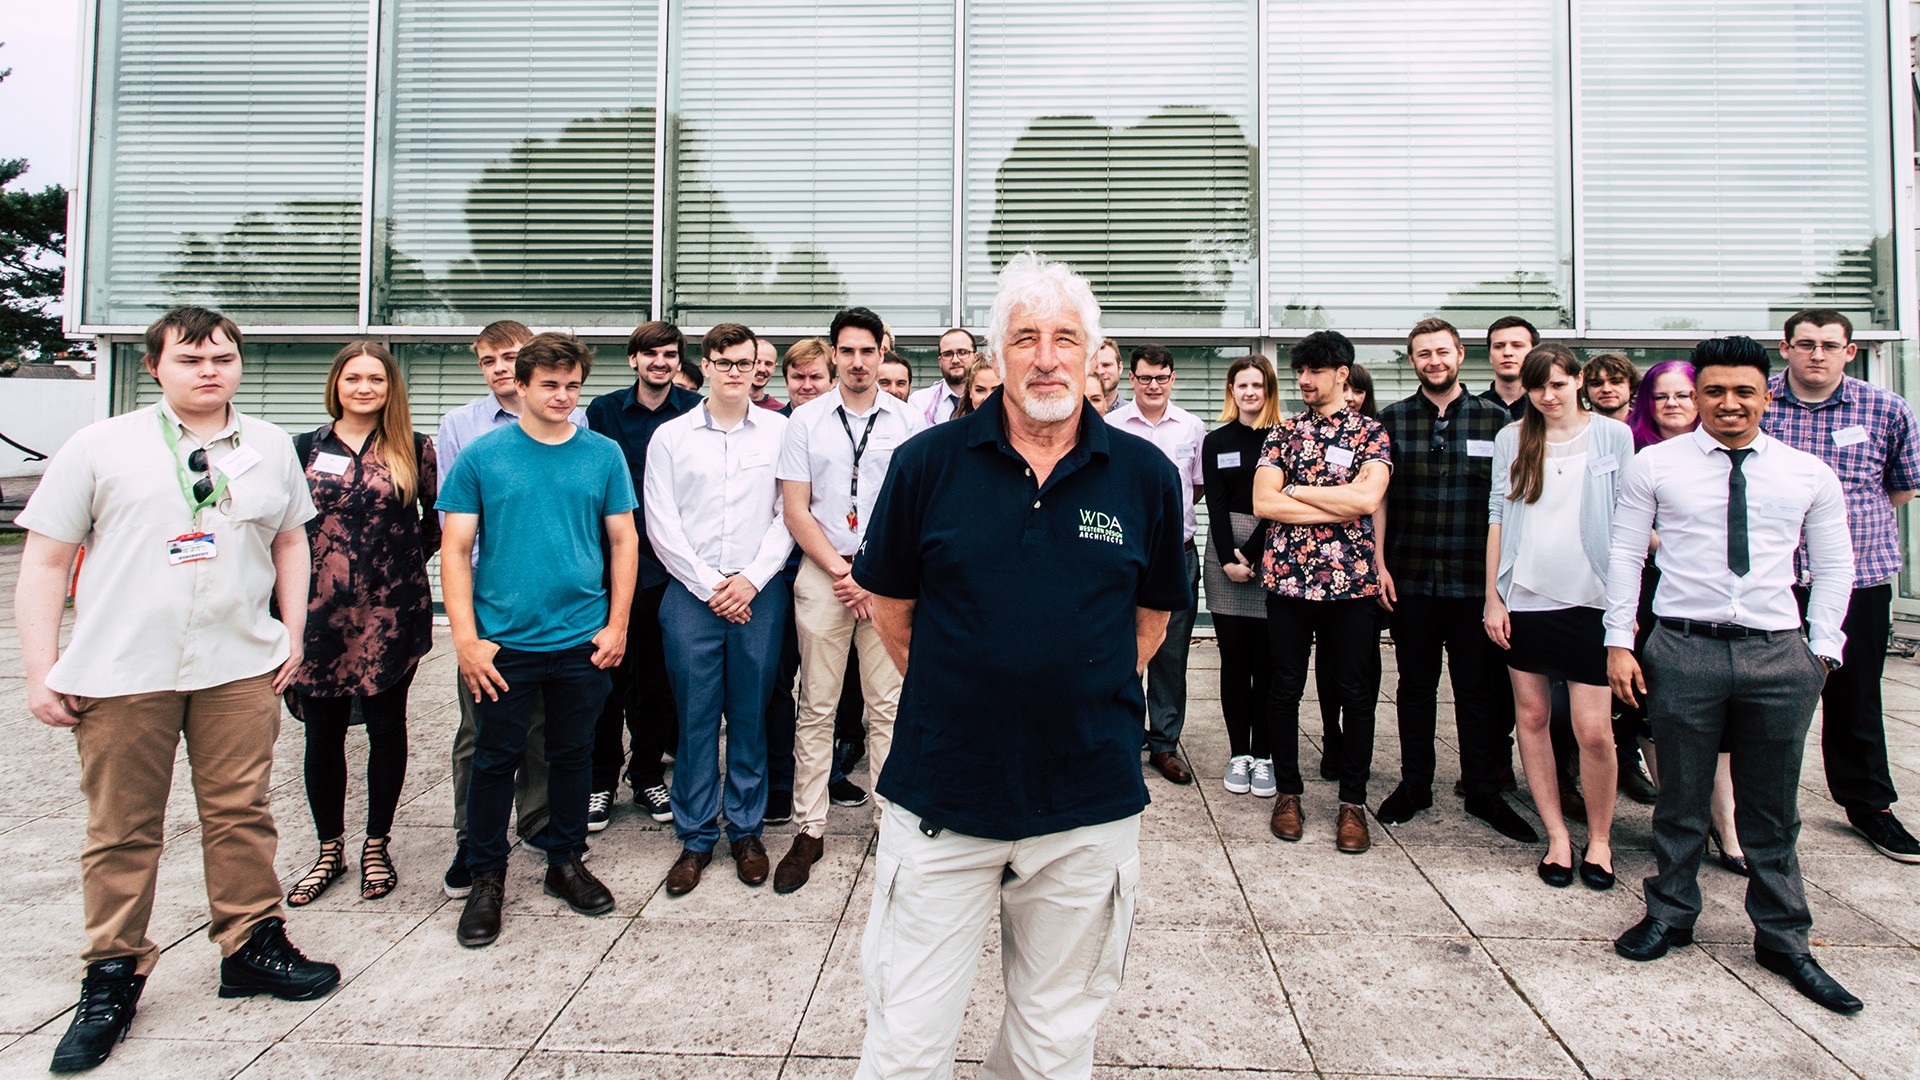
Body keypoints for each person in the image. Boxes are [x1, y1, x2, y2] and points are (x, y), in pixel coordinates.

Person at [850, 250, 1189, 1080]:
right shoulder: (926, 463)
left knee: (1053, 1046)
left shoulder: (1144, 475)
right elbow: (893, 609)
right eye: (1025, 338)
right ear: (997, 357)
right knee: (905, 1043)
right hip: (943, 793)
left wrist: (1071, 686)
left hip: (1087, 805)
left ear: (1091, 353)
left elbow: (1151, 618)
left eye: (1066, 339)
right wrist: (975, 688)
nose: (1046, 356)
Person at [15, 306, 340, 1073]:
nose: (209, 370)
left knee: (241, 812)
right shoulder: (102, 446)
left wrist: (292, 633)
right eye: (191, 359)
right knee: (123, 828)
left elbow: (291, 539)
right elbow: (43, 563)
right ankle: (112, 972)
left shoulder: (266, 446)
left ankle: (251, 944)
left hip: (236, 664)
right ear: (155, 365)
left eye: (223, 357)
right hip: (125, 671)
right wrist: (40, 669)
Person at [1608, 336, 1863, 1016]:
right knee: (1680, 799)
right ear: (1697, 396)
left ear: (1766, 394)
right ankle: (1671, 912)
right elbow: (1626, 554)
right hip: (1683, 649)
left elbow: (1836, 564)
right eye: (1713, 390)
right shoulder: (1658, 465)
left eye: (1742, 390)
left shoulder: (1807, 473)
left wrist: (1823, 648)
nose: (1727, 402)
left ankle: (1783, 938)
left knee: (1772, 810)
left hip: (1779, 654)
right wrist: (1619, 643)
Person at [439, 332, 638, 947]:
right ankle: (486, 877)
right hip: (505, 644)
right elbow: (454, 548)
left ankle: (564, 862)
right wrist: (467, 642)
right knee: (495, 760)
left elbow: (624, 542)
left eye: (572, 385)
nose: (562, 395)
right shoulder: (484, 455)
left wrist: (618, 624)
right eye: (549, 384)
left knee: (571, 756)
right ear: (519, 386)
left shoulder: (602, 454)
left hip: (582, 639)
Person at [773, 307, 928, 892]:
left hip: (886, 580)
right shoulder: (805, 421)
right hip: (823, 574)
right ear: (833, 354)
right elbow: (795, 509)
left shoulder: (909, 423)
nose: (859, 362)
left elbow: (914, 513)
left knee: (888, 707)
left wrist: (872, 574)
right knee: (816, 703)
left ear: (882, 352)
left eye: (869, 351)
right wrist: (842, 570)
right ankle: (809, 828)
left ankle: (893, 824)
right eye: (848, 351)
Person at [1764, 308, 1920, 863]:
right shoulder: (1761, 404)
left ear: (1849, 351)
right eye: (1805, 343)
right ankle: (1749, 809)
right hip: (1775, 576)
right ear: (1785, 347)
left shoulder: (1886, 409)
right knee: (1764, 699)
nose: (1817, 354)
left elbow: (1900, 487)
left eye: (1830, 345)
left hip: (1861, 578)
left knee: (1855, 695)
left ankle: (1868, 804)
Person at [284, 343, 437, 907]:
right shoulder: (302, 449)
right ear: (336, 384)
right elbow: (281, 528)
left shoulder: (415, 448)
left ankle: (377, 843)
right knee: (320, 733)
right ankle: (329, 848)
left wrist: (392, 571)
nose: (365, 388)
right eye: (354, 378)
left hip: (388, 618)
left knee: (385, 727)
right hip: (315, 616)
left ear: (390, 387)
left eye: (376, 378)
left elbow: (436, 522)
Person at [1375, 317, 1538, 842]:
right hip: (1411, 579)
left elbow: (1515, 509)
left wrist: (1501, 589)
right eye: (1423, 354)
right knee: (1415, 688)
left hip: (1476, 584)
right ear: (1413, 360)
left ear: (1460, 354)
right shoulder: (1392, 421)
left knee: (1478, 691)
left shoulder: (1501, 424)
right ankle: (1415, 784)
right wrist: (1379, 565)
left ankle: (1484, 790)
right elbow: (1376, 500)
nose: (1433, 361)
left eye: (1441, 352)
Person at [646, 324, 795, 896]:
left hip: (759, 591)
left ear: (758, 368)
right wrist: (712, 585)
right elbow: (662, 523)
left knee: (752, 711)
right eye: (724, 361)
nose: (735, 371)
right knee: (696, 715)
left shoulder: (782, 432)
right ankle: (695, 834)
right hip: (692, 593)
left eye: (745, 362)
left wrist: (751, 580)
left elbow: (792, 511)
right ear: (704, 365)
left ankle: (746, 829)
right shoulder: (671, 437)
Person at [1483, 344, 1635, 890]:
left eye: (1557, 384)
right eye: (1537, 387)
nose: (1548, 396)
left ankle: (1600, 839)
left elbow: (1630, 520)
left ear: (1579, 382)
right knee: (1533, 718)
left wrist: (1625, 606)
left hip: (1593, 599)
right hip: (1527, 597)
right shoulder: (1513, 438)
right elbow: (1499, 518)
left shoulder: (1614, 436)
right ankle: (1557, 838)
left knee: (1594, 731)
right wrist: (1494, 598)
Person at [1251, 331, 1392, 853]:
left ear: (1342, 374)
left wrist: (1297, 490)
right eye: (1300, 372)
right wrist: (1339, 502)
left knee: (1356, 694)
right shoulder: (1282, 433)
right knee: (1284, 688)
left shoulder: (1371, 434)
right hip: (1288, 581)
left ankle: (1352, 804)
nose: (1305, 381)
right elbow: (1263, 502)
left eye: (1315, 371)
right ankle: (1288, 794)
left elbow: (1369, 496)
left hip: (1352, 584)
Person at [583, 321, 704, 830]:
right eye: (650, 354)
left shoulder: (693, 411)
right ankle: (599, 783)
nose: (660, 362)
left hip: (668, 566)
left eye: (670, 354)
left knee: (657, 681)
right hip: (610, 566)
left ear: (679, 361)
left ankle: (649, 773)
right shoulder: (603, 411)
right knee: (606, 679)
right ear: (633, 359)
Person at [1108, 344, 1206, 785]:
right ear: (1131, 378)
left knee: (1170, 654)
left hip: (1177, 553)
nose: (1153, 386)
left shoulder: (1192, 427)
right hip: (1122, 557)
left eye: (1161, 377)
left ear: (1171, 378)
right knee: (1121, 651)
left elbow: (1196, 488)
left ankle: (1164, 744)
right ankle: (1123, 738)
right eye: (1145, 378)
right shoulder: (1110, 425)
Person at [1203, 354, 1281, 798]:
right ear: (1231, 391)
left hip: (1271, 547)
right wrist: (1230, 556)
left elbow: (1279, 500)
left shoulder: (1285, 438)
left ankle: (1266, 756)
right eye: (1241, 385)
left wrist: (1251, 553)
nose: (1249, 393)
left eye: (1257, 385)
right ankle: (1240, 754)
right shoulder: (1216, 440)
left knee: (1268, 663)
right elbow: (1214, 502)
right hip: (1223, 548)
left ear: (1269, 390)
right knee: (1234, 660)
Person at [907, 327, 974, 423]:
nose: (955, 360)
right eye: (948, 354)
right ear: (940, 361)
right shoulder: (919, 402)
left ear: (976, 358)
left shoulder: (988, 398)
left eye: (962, 352)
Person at [1483, 316, 1537, 421]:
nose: (1507, 353)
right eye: (1499, 346)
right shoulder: (1470, 410)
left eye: (1517, 345)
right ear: (1490, 356)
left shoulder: (1547, 408)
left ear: (1534, 353)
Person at [1582, 353, 1639, 423]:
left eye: (1616, 382)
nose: (1606, 389)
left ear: (1632, 387)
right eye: (1596, 384)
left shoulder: (1651, 428)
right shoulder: (1572, 429)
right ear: (1585, 389)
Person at [783, 338, 835, 411]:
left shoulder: (849, 421)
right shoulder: (774, 422)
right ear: (786, 381)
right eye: (799, 377)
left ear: (832, 382)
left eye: (816, 377)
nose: (807, 386)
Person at [949, 354, 1002, 419]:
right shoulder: (956, 428)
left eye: (996, 390)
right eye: (980, 390)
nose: (988, 397)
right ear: (970, 391)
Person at [1089, 336, 1123, 414]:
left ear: (1120, 368)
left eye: (1106, 365)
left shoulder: (1132, 415)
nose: (1100, 371)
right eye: (1095, 366)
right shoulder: (1076, 414)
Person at [751, 337, 785, 411]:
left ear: (774, 367)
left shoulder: (780, 411)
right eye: (757, 362)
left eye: (768, 364)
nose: (762, 369)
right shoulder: (726, 406)